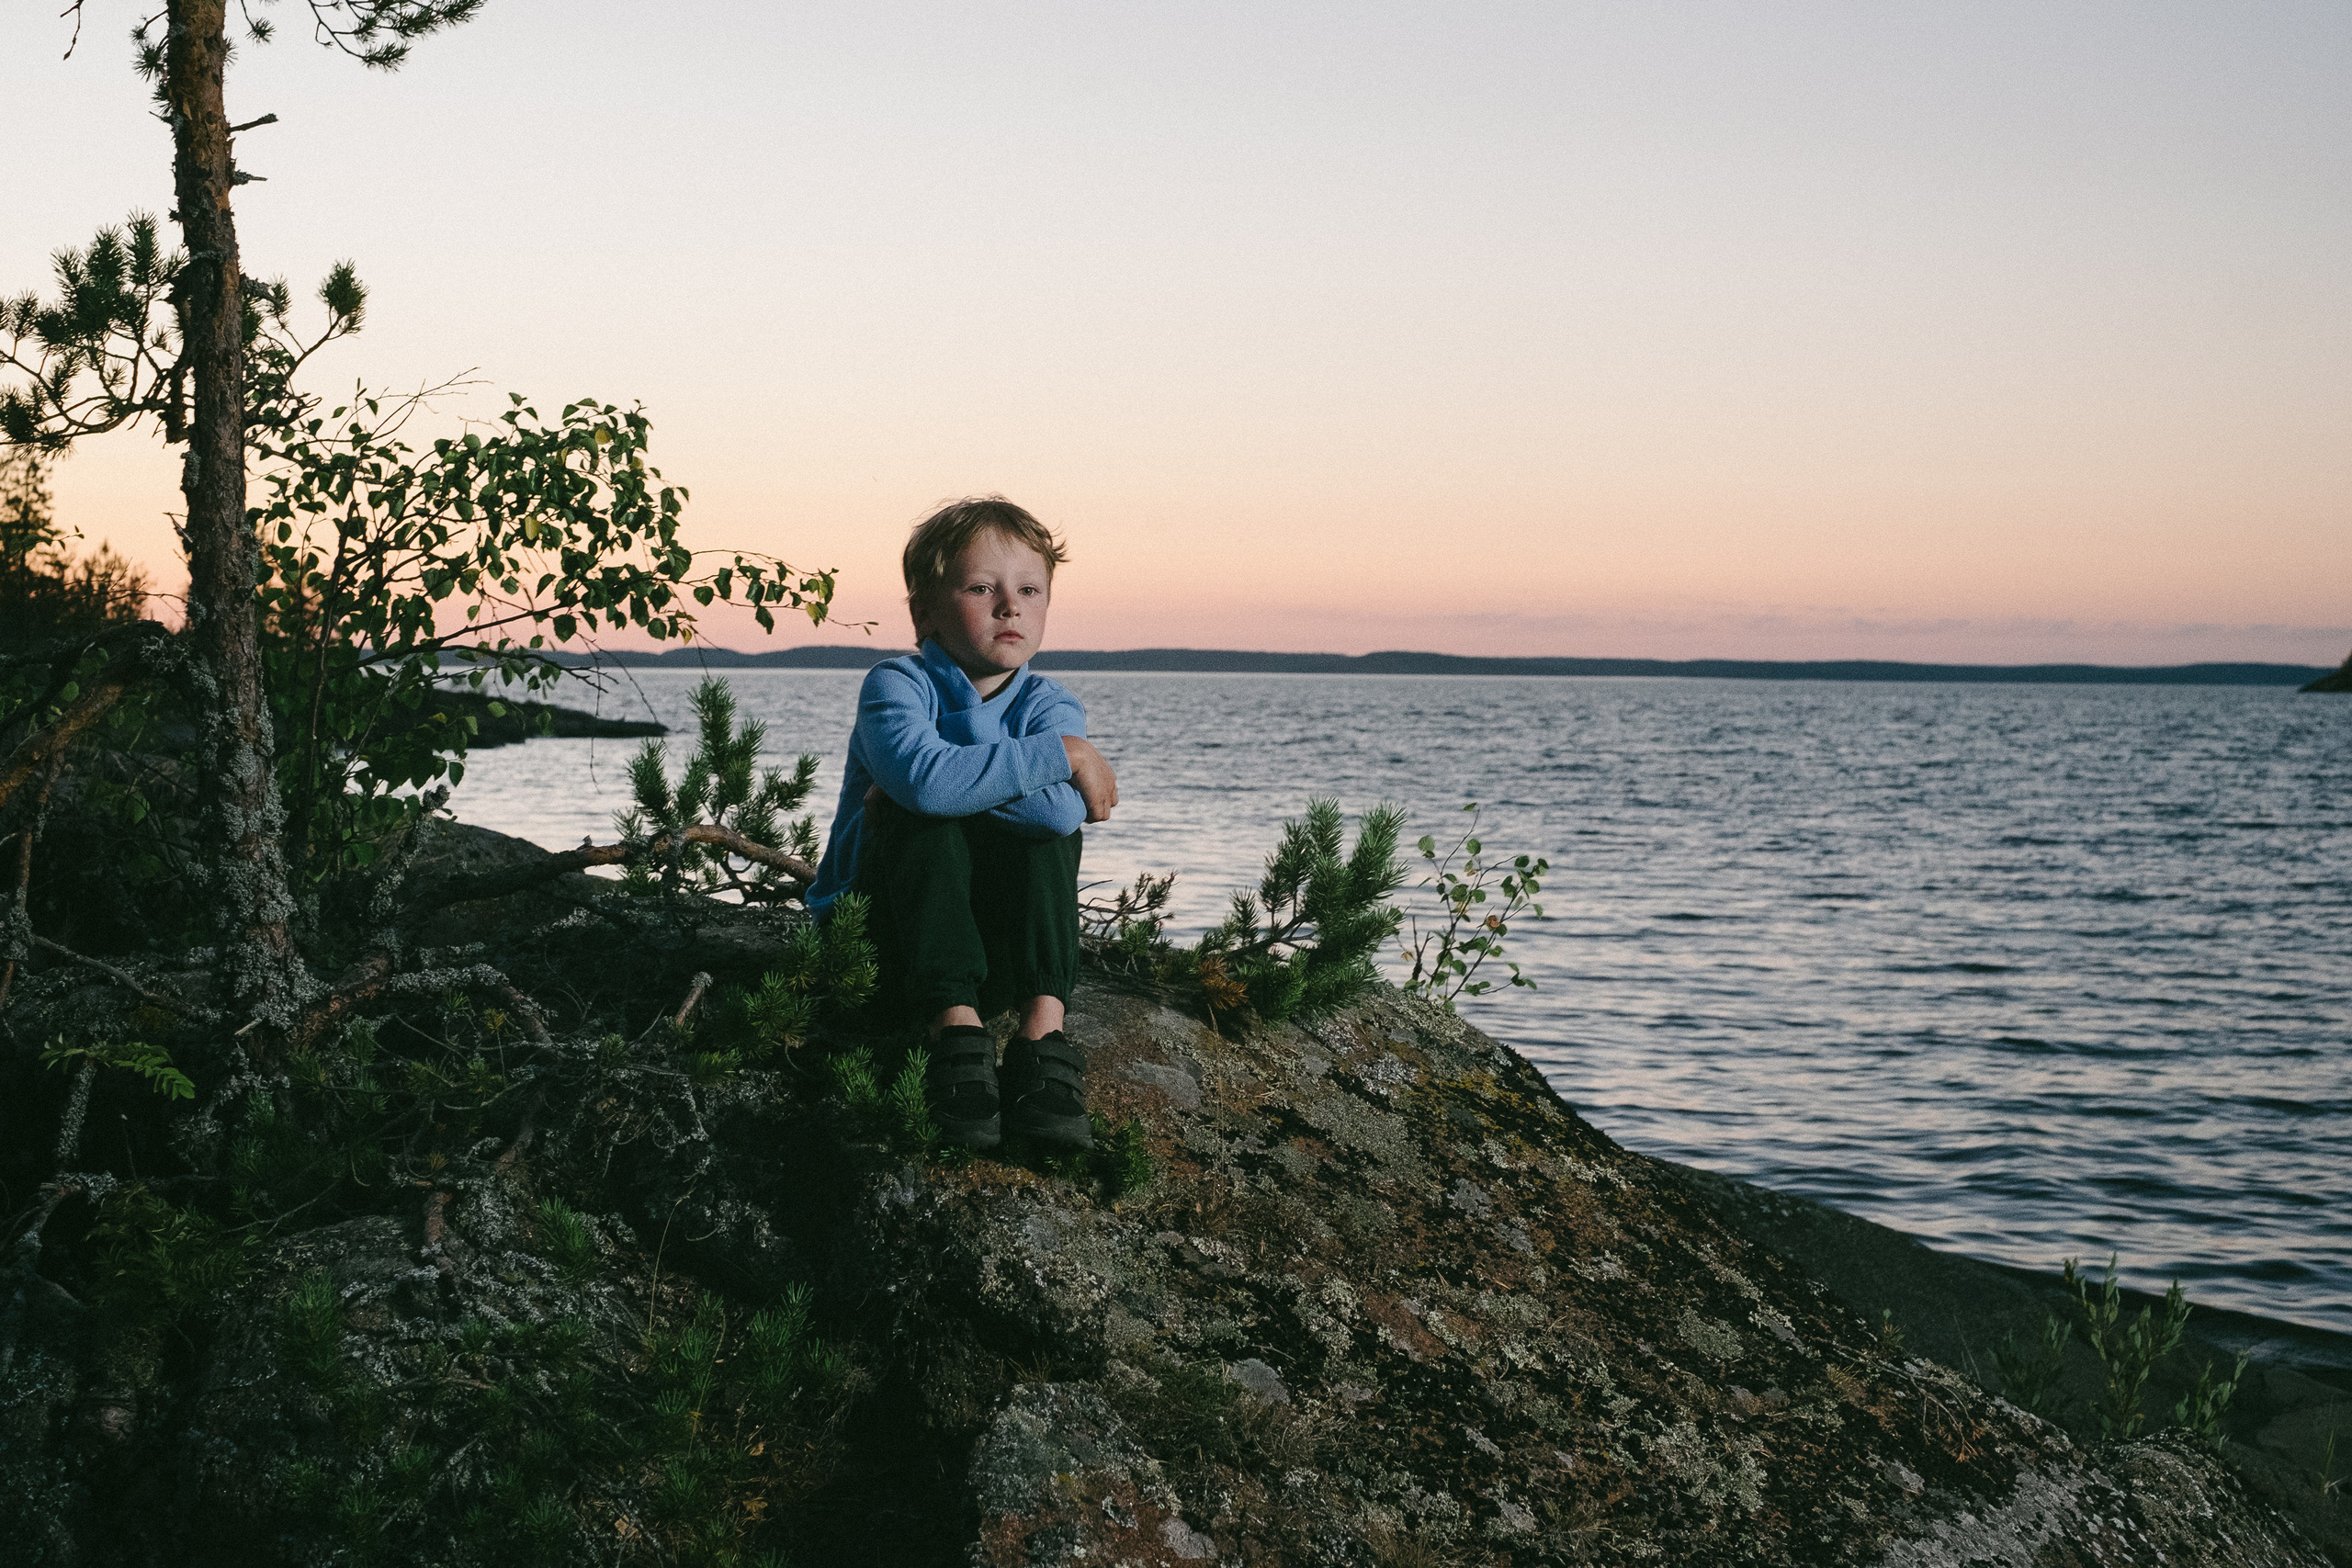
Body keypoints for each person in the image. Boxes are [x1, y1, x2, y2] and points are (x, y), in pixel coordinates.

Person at [803, 497, 1118, 1152]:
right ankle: (954, 1034)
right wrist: (1060, 757)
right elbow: (924, 785)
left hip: (991, 950)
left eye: (1029, 590)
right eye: (981, 588)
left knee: (1041, 832)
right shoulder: (897, 685)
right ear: (924, 613)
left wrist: (951, 778)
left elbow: (1060, 813)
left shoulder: (1050, 705)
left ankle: (1042, 1036)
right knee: (920, 815)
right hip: (883, 942)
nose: (1010, 607)